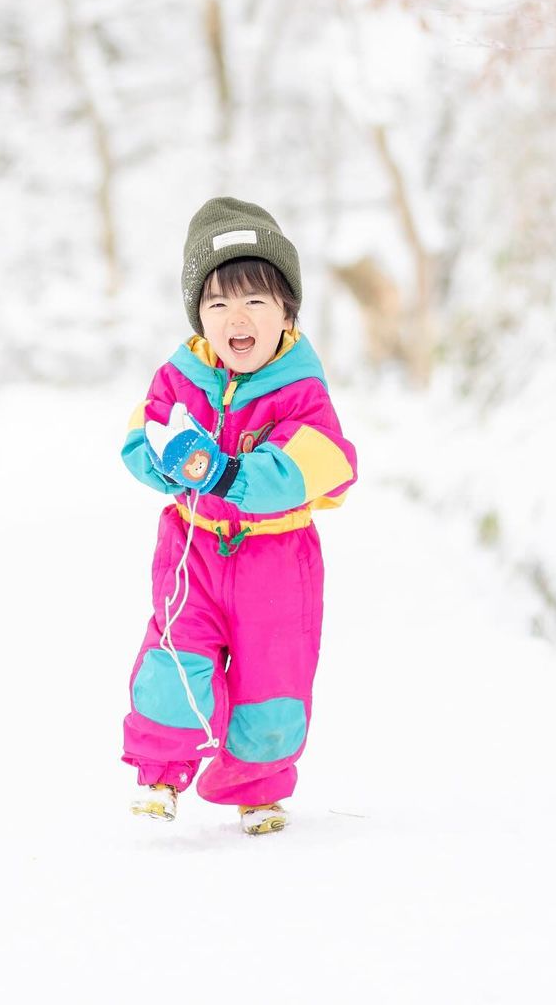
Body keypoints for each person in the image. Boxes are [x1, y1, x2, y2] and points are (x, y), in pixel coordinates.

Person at [121, 196, 358, 835]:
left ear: (287, 311)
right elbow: (137, 442)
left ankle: (256, 788)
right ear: (199, 313)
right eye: (218, 303)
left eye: (256, 300)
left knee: (273, 678)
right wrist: (167, 457)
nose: (237, 317)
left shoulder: (301, 389)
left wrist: (226, 472)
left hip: (277, 566)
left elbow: (320, 465)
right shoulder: (183, 375)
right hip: (194, 552)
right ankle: (161, 775)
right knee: (177, 656)